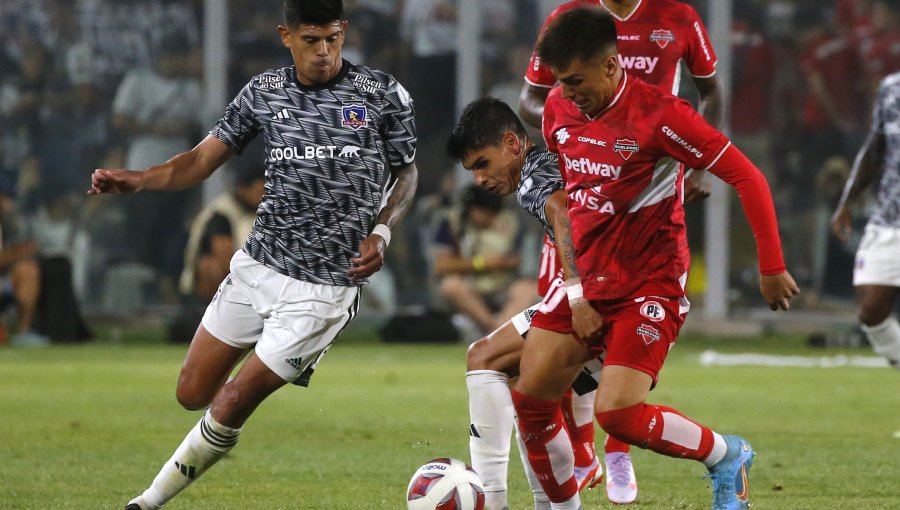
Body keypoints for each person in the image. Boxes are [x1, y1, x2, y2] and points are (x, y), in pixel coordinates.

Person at [88, 1, 418, 508]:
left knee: (234, 399)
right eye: (311, 40)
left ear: (344, 31)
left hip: (325, 287)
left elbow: (406, 171)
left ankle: (147, 501)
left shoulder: (383, 94)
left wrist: (382, 231)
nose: (324, 52)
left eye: (333, 38)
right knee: (192, 392)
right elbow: (201, 159)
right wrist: (140, 179)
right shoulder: (263, 93)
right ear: (286, 35)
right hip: (258, 264)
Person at [512, 7, 799, 510]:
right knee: (531, 401)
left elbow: (748, 177)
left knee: (617, 415)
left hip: (650, 279)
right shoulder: (558, 107)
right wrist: (575, 284)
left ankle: (726, 455)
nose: (566, 92)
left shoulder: (662, 115)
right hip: (587, 279)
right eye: (560, 81)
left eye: (576, 80)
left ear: (611, 65)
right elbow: (582, 196)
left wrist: (771, 266)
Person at [447, 98, 616, 510]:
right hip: (624, 288)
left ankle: (490, 501)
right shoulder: (554, 160)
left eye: (483, 163)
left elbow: (564, 215)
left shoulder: (532, 179)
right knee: (530, 393)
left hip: (604, 295)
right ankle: (559, 489)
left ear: (512, 143)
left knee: (484, 358)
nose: (481, 178)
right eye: (472, 171)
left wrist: (575, 296)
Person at [830, 71, 900, 369]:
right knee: (871, 308)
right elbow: (875, 148)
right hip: (889, 216)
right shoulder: (892, 88)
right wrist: (848, 199)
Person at [431, 184, 537, 335]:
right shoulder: (452, 222)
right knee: (451, 285)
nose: (492, 217)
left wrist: (508, 262)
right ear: (473, 209)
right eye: (487, 212)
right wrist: (483, 263)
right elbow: (441, 266)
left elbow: (518, 259)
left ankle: (502, 333)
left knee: (527, 288)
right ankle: (493, 330)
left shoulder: (508, 221)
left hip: (502, 284)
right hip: (470, 286)